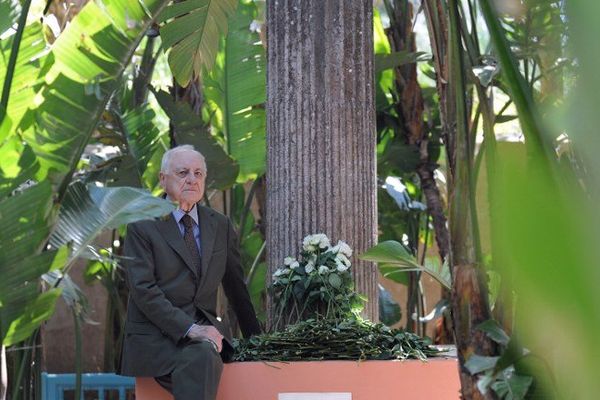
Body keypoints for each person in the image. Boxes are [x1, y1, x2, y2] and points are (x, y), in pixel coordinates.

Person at [119, 145, 261, 400]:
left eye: (198, 174)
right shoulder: (141, 225)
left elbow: (236, 288)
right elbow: (143, 290)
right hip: (158, 339)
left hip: (207, 335)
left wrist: (258, 341)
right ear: (163, 179)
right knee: (202, 354)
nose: (192, 180)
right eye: (183, 172)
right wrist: (190, 329)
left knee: (204, 353)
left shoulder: (219, 224)